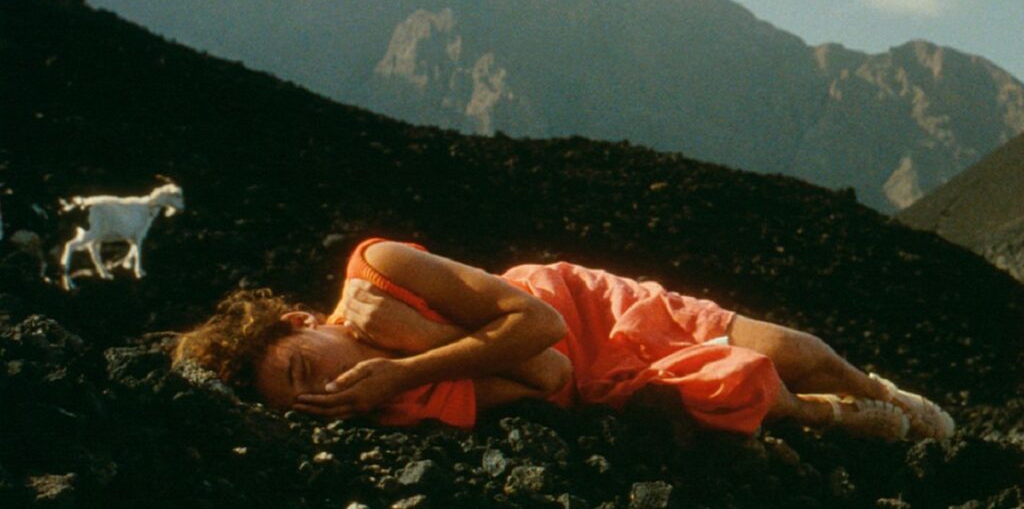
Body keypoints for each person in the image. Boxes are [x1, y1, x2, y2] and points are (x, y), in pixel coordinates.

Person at [174, 238, 955, 442]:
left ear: (299, 321)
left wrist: (409, 342)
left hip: (582, 308)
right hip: (579, 374)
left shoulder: (378, 268)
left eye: (303, 368)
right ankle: (825, 414)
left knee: (795, 351)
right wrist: (406, 361)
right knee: (736, 385)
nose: (323, 391)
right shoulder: (392, 401)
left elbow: (543, 325)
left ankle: (872, 388)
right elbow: (546, 373)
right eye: (305, 402)